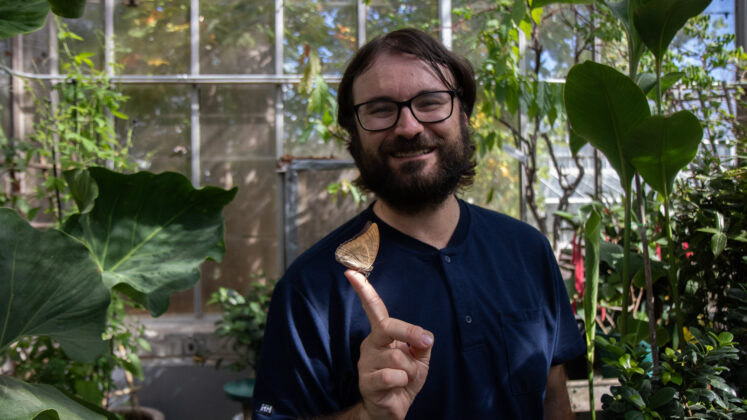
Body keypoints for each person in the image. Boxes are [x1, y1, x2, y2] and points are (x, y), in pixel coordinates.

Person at [252, 28, 585, 419]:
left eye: (430, 101)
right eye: (379, 109)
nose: (408, 127)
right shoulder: (311, 289)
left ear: (463, 114)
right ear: (352, 134)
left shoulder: (528, 251)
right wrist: (367, 415)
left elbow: (553, 396)